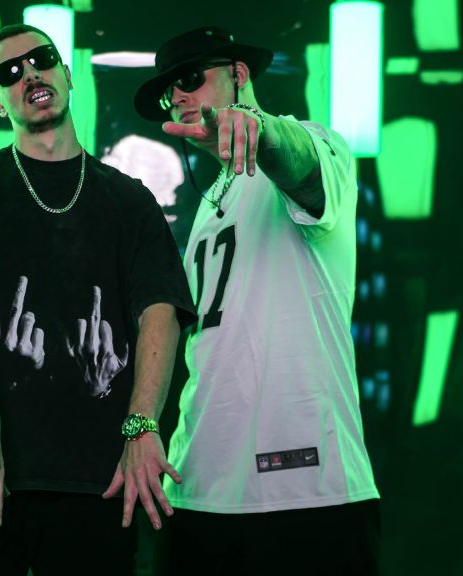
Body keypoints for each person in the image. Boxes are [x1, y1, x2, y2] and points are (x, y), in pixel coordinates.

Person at [0, 23, 196, 576]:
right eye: (10, 72)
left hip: (97, 479)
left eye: (41, 60)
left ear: (67, 74)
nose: (30, 74)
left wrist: (143, 427)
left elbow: (160, 312)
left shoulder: (130, 201)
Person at [133, 26, 381, 575]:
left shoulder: (315, 141)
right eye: (169, 92)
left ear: (239, 74)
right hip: (197, 484)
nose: (178, 96)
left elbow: (300, 165)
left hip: (305, 488)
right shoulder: (208, 204)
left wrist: (260, 126)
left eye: (190, 78)